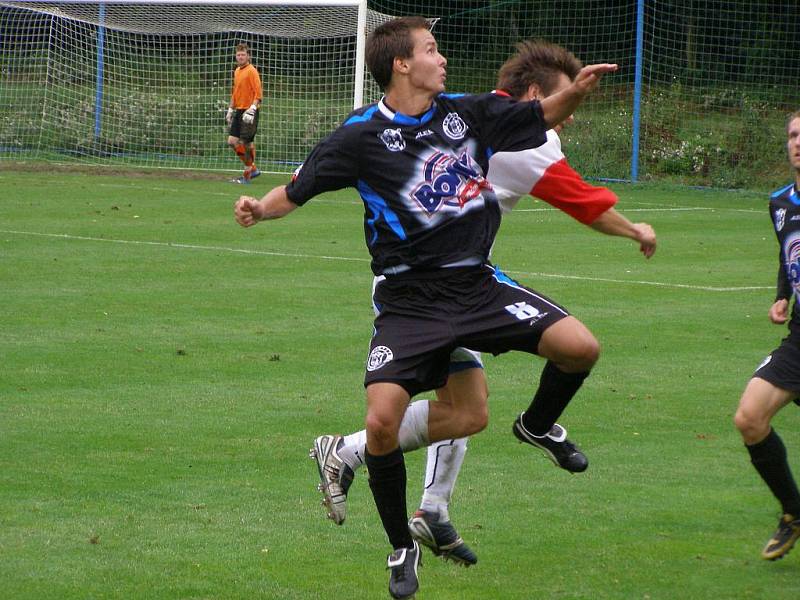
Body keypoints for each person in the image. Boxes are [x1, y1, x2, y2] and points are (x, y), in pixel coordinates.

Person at [235, 17, 616, 599]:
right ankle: (401, 545)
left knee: (578, 349)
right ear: (402, 65)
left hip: (476, 288)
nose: (442, 58)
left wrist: (575, 91)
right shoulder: (360, 135)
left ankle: (534, 428)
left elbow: (539, 115)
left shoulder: (466, 112)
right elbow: (299, 188)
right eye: (431, 50)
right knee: (383, 420)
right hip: (409, 302)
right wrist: (260, 210)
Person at [310, 40, 657, 567]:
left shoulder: (470, 109)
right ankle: (355, 454)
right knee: (474, 401)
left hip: (459, 284)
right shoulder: (525, 141)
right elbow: (583, 202)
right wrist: (636, 229)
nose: (564, 122)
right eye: (564, 105)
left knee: (467, 408)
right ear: (537, 96)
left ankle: (430, 508)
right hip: (434, 292)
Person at [734, 110, 800, 561]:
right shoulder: (780, 202)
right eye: (794, 135)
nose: (798, 142)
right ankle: (794, 512)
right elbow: (788, 251)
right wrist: (783, 295)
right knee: (749, 418)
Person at [226, 42, 262, 184]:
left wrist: (252, 109)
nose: (240, 57)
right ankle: (252, 168)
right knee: (232, 141)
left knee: (245, 143)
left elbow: (258, 94)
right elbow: (235, 92)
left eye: (243, 54)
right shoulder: (237, 71)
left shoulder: (252, 71)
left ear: (248, 56)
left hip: (250, 112)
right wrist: (230, 108)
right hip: (239, 110)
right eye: (238, 55)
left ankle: (247, 176)